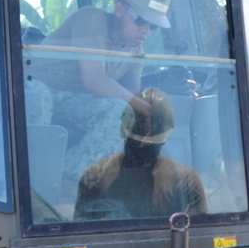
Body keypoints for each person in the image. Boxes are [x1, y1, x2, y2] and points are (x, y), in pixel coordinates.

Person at [29, 0, 172, 178]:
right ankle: (33, 178)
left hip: (71, 101)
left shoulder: (136, 52)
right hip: (29, 87)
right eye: (141, 20)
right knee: (37, 94)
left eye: (153, 26)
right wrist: (145, 107)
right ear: (120, 9)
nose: (146, 31)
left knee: (123, 112)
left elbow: (130, 97)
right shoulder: (91, 19)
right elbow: (94, 81)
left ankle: (67, 180)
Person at [74, 88, 207, 219]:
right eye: (138, 137)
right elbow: (79, 234)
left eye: (152, 139)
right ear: (124, 133)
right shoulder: (94, 177)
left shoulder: (185, 181)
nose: (144, 143)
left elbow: (199, 234)